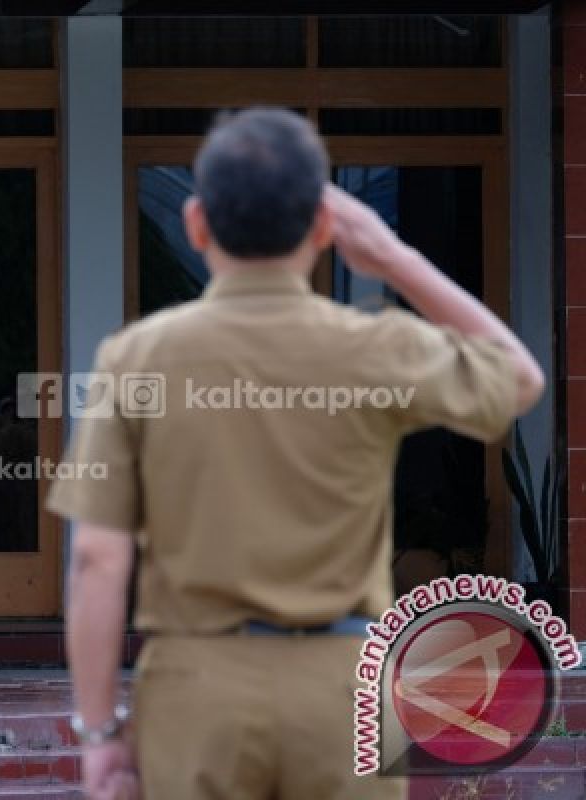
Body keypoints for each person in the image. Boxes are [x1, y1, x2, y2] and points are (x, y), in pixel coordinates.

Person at [47, 108, 544, 800]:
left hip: (196, 684)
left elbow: (99, 560)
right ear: (322, 229)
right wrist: (390, 254)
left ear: (196, 224)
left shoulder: (136, 358)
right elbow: (520, 378)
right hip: (346, 683)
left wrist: (98, 732)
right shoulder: (372, 345)